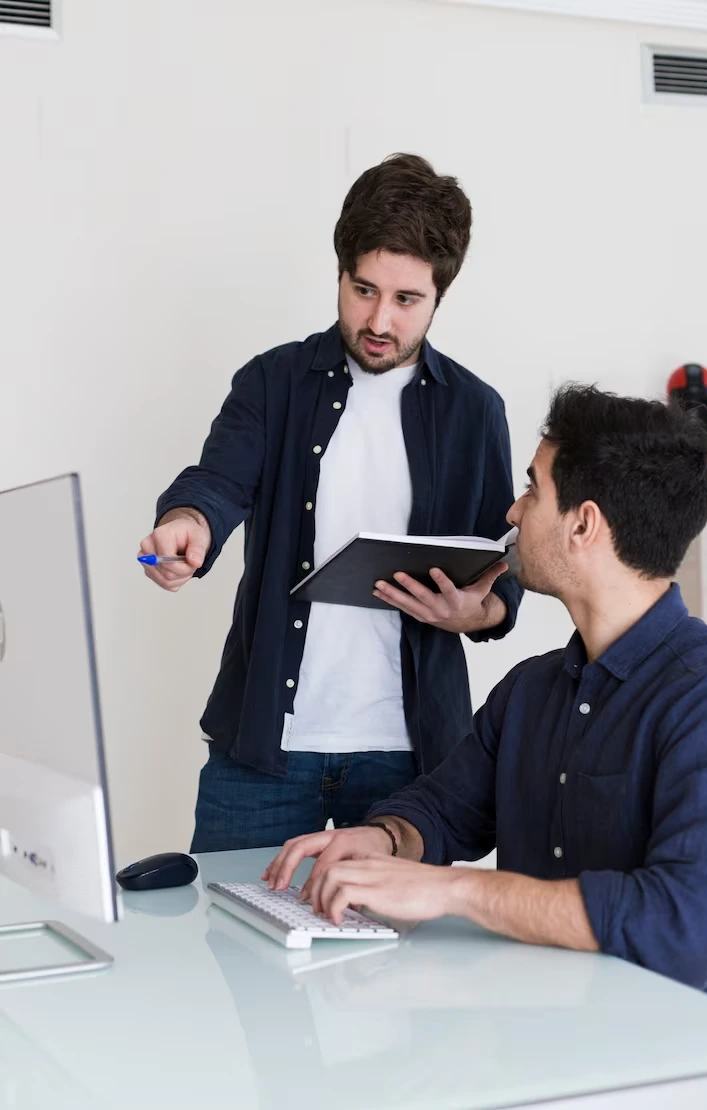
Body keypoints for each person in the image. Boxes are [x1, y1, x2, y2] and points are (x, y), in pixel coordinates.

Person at [265, 384, 707, 1004]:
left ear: (584, 524)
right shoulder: (531, 690)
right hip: (537, 1036)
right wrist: (382, 840)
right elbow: (442, 811)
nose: (514, 513)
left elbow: (684, 926)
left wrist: (455, 890)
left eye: (533, 488)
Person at [139, 153, 523, 852]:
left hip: (409, 762)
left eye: (406, 300)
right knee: (226, 947)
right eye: (363, 289)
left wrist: (481, 611)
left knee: (401, 962)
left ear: (440, 297)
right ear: (340, 273)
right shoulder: (272, 381)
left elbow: (506, 564)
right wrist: (184, 524)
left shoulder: (476, 410)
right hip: (263, 750)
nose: (378, 319)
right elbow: (218, 483)